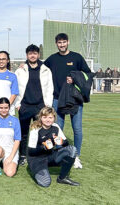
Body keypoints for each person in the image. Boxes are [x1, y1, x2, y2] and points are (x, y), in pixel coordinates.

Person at [44, 33, 92, 169]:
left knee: (77, 129)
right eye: (59, 43)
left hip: (75, 99)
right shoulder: (52, 59)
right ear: (56, 44)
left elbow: (88, 74)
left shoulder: (76, 57)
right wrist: (25, 65)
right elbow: (40, 67)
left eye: (64, 42)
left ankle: (75, 156)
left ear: (68, 42)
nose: (62, 45)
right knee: (57, 129)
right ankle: (59, 154)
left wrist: (75, 78)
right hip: (57, 99)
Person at [15, 44, 53, 165]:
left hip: (40, 107)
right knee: (23, 133)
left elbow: (49, 89)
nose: (32, 55)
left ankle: (40, 154)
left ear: (38, 55)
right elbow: (15, 88)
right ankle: (22, 155)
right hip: (25, 106)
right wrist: (17, 103)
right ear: (27, 55)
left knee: (40, 132)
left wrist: (48, 105)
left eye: (35, 53)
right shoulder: (20, 70)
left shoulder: (46, 70)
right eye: (30, 53)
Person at [27, 107, 80, 187]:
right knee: (45, 183)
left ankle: (63, 178)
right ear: (40, 118)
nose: (48, 120)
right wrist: (43, 147)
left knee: (72, 150)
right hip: (37, 159)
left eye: (50, 117)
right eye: (45, 117)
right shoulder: (35, 129)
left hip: (50, 156)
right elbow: (31, 151)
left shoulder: (55, 127)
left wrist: (62, 142)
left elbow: (66, 143)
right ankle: (38, 170)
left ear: (54, 118)